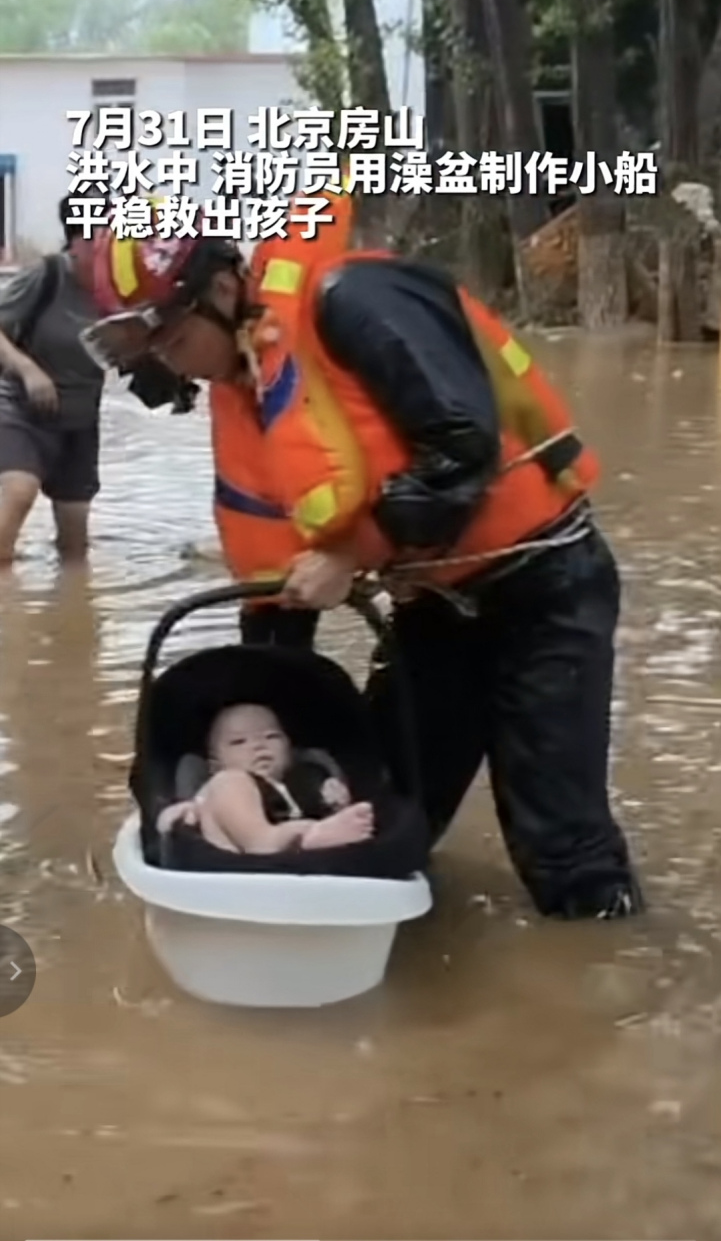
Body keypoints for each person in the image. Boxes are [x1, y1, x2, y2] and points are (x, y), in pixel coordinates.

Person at [81, 190, 644, 921]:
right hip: (436, 610)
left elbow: (461, 448)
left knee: (559, 841)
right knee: (381, 805)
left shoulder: (353, 301)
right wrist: (233, 765)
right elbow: (275, 610)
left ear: (220, 289)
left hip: (542, 586)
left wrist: (352, 551)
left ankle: (606, 964)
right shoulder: (245, 387)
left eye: (175, 341)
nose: (173, 366)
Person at [0, 195, 108, 564]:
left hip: (80, 421)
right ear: (76, 243)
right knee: (19, 492)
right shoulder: (46, 276)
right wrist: (28, 369)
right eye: (99, 240)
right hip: (22, 410)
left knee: (75, 545)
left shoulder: (119, 290)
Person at [157, 702, 375, 854]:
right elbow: (171, 819)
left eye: (272, 736)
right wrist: (178, 814)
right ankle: (283, 839)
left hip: (293, 858)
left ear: (290, 749)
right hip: (244, 856)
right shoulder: (221, 783)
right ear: (214, 765)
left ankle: (311, 837)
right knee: (232, 783)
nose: (258, 745)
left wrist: (336, 802)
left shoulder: (303, 782)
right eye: (238, 742)